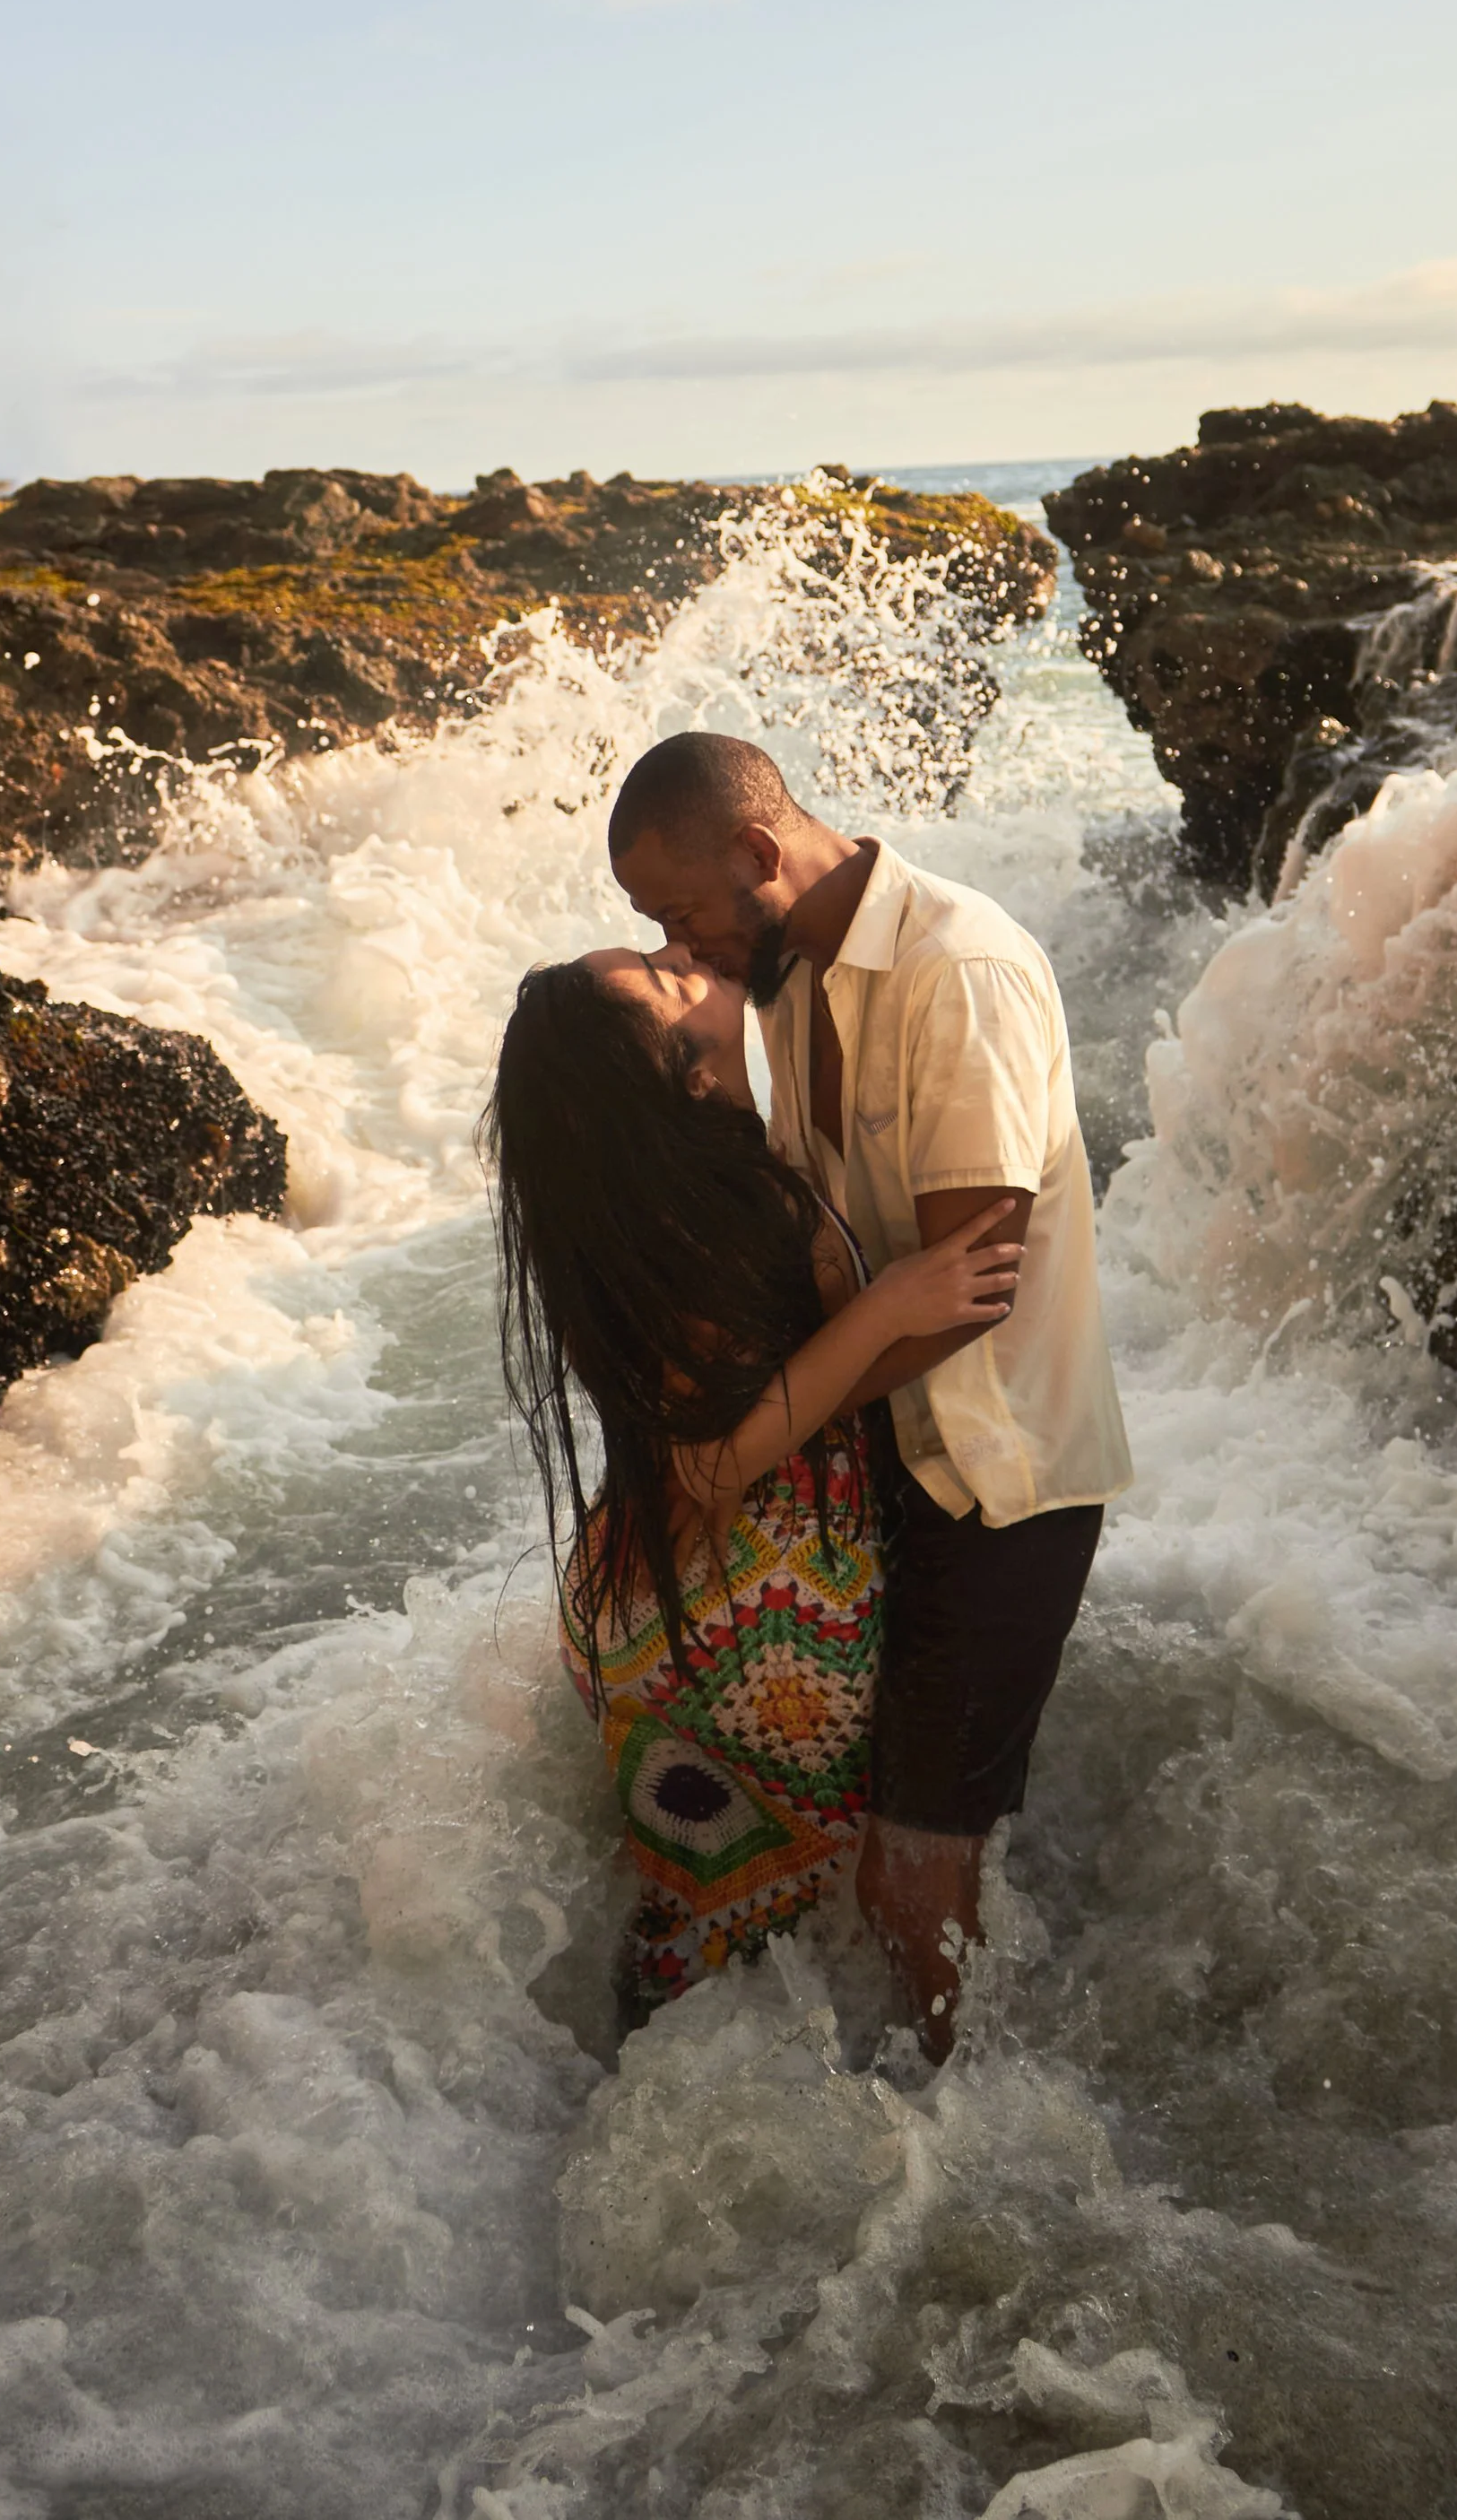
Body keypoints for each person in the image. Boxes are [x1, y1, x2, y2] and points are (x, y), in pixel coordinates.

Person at [609, 732, 1131, 2055]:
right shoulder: (790, 976)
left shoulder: (959, 968)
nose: (684, 946)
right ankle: (920, 2044)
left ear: (756, 851)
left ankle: (960, 2115)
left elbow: (972, 1279)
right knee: (891, 1818)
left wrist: (771, 1424)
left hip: (998, 1475)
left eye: (681, 911)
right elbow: (849, 1259)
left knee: (911, 1853)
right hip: (895, 1456)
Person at [482, 938, 1018, 2015]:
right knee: (778, 1950)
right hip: (759, 1610)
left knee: (710, 1924)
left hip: (655, 1592)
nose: (682, 951)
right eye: (663, 975)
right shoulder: (721, 1204)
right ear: (686, 1073)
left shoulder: (660, 1201)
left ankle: (595, 2090)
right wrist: (891, 1305)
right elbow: (713, 1459)